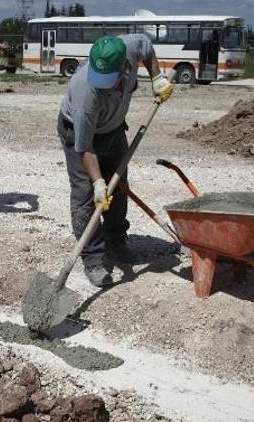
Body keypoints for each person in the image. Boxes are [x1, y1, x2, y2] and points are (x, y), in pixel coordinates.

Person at [57, 35, 173, 287]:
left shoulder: (131, 48)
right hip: (80, 135)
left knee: (119, 188)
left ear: (124, 66)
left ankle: (116, 241)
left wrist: (157, 77)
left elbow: (146, 45)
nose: (102, 85)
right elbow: (84, 146)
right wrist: (98, 182)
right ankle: (93, 258)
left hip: (113, 129)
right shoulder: (84, 90)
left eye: (108, 79)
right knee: (86, 195)